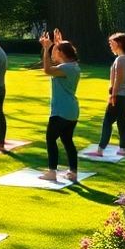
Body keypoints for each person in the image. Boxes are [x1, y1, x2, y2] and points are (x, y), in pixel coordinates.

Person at [85, 32, 125, 158]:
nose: (110, 45)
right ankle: (123, 149)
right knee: (122, 121)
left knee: (107, 121)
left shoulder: (121, 59)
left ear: (119, 43)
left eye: (112, 43)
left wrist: (113, 95)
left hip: (120, 95)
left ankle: (100, 150)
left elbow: (118, 80)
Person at [39, 29, 82, 183]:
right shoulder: (73, 66)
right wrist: (57, 44)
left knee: (50, 139)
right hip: (71, 111)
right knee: (67, 141)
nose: (53, 53)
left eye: (56, 51)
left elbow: (47, 70)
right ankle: (73, 172)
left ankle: (52, 172)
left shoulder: (66, 68)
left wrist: (46, 48)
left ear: (62, 53)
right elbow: (56, 61)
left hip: (61, 111)